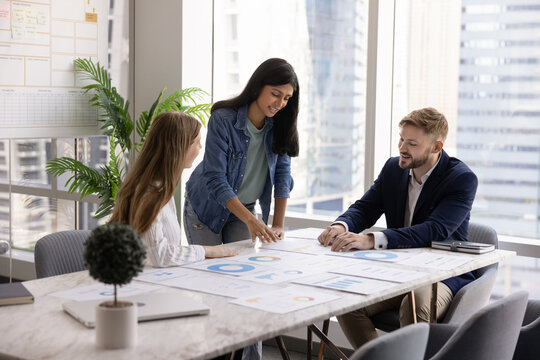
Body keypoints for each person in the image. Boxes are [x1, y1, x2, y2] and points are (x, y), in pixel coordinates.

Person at [318, 107, 478, 349]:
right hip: (396, 270)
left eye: (412, 143)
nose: (402, 147)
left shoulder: (461, 178)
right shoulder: (394, 168)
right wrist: (342, 225)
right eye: (401, 139)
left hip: (440, 275)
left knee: (416, 303)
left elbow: (434, 230)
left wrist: (371, 240)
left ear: (436, 147)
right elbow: (365, 208)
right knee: (347, 302)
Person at [184, 58, 299, 246]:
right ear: (258, 87)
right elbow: (215, 178)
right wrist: (252, 221)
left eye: (286, 98)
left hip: (244, 208)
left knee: (238, 269)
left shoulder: (281, 125)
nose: (280, 103)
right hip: (207, 206)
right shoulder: (223, 119)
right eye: (275, 94)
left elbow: (282, 175)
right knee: (208, 270)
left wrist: (278, 224)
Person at [108, 111, 237, 267]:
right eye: (197, 142)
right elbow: (159, 256)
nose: (200, 147)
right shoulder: (150, 192)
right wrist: (206, 251)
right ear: (180, 147)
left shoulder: (161, 187)